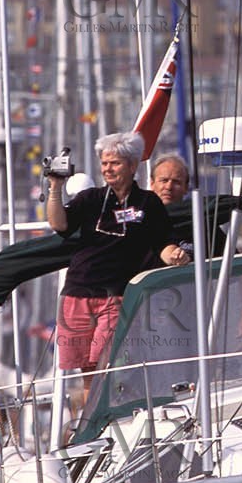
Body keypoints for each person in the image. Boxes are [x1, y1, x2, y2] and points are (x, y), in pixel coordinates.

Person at [47, 132, 190, 417]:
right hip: (77, 293)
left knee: (106, 361)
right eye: (104, 163)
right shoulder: (91, 199)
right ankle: (92, 420)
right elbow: (60, 224)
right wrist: (54, 187)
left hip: (116, 295)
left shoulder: (148, 203)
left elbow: (162, 242)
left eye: (114, 163)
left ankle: (101, 417)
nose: (108, 169)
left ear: (132, 166)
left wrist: (175, 254)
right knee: (87, 367)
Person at [149, 152, 242, 340]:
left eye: (176, 182)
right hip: (147, 319)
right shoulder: (137, 224)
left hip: (197, 321)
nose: (168, 186)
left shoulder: (202, 225)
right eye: (163, 180)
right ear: (152, 183)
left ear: (185, 188)